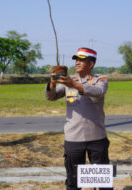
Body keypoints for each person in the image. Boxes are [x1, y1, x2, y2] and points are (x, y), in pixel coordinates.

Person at [45, 47, 113, 190]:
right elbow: (50, 97)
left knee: (102, 182)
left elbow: (98, 91)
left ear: (91, 64)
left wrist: (73, 85)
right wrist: (52, 83)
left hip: (96, 137)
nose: (77, 62)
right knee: (74, 181)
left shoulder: (100, 80)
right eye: (76, 59)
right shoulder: (69, 81)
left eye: (81, 60)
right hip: (73, 138)